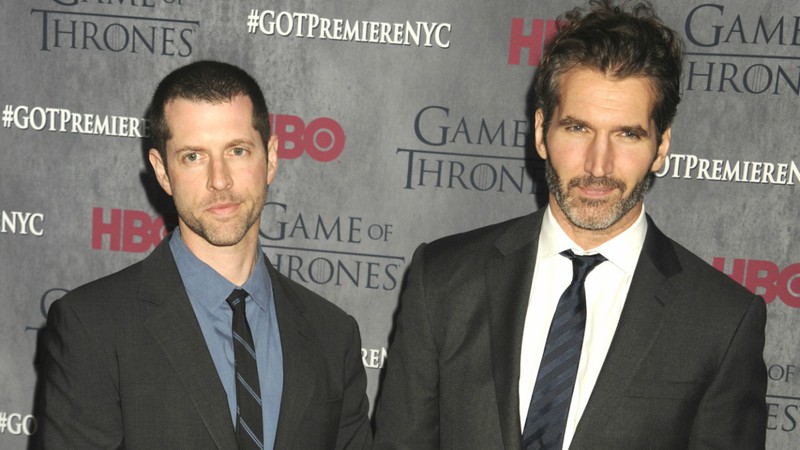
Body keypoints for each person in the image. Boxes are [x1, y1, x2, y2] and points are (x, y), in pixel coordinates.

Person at [372, 1, 767, 449]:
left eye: (627, 134)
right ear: (542, 132)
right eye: (578, 128)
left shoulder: (720, 320)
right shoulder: (443, 281)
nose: (599, 166)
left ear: (661, 146)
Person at [35, 61, 372, 449]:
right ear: (163, 172)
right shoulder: (93, 326)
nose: (219, 180)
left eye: (238, 150)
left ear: (272, 158)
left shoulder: (333, 335)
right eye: (193, 156)